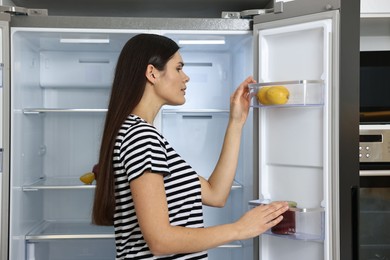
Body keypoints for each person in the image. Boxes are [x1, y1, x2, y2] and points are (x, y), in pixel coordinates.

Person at [92, 33, 289, 260]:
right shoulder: (141, 137)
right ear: (152, 73)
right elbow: (159, 241)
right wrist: (240, 229)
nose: (186, 77)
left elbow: (216, 194)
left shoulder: (139, 134)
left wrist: (236, 122)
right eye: (178, 68)